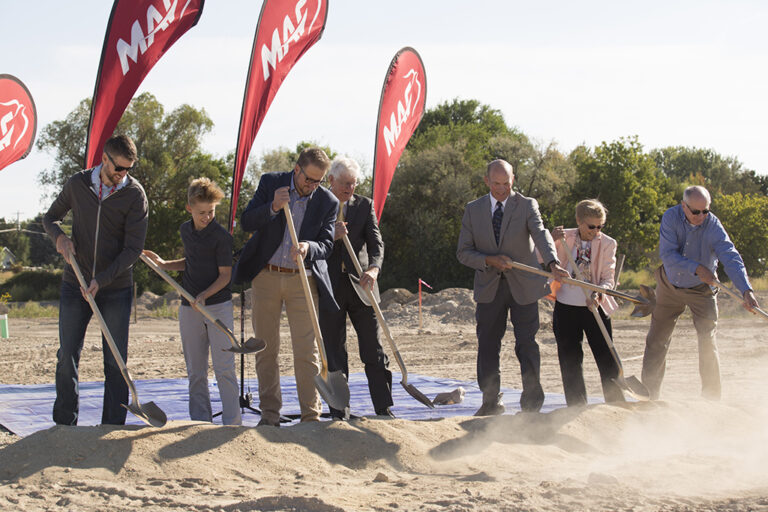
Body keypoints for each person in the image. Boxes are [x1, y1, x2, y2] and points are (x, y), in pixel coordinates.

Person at [43, 134, 148, 425]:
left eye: (128, 169)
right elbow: (50, 218)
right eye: (119, 168)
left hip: (115, 289)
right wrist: (60, 238)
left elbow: (133, 249)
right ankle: (65, 424)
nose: (123, 175)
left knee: (115, 363)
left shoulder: (134, 195)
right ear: (104, 159)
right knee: (67, 357)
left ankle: (112, 428)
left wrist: (102, 279)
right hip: (73, 284)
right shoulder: (77, 185)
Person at [233, 147, 339, 426]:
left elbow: (327, 244)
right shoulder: (271, 183)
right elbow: (246, 221)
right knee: (265, 349)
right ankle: (270, 415)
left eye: (319, 181)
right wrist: (272, 208)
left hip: (302, 279)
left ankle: (311, 416)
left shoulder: (328, 201)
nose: (312, 186)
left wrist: (308, 246)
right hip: (266, 276)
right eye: (308, 179)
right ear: (297, 169)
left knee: (307, 351)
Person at [457, 159, 569, 415]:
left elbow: (541, 234)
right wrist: (488, 260)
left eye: (506, 183)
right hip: (489, 287)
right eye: (496, 184)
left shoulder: (527, 205)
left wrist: (552, 262)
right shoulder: (473, 210)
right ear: (486, 181)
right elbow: (463, 252)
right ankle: (490, 402)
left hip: (525, 287)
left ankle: (531, 404)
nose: (501, 189)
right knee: (487, 344)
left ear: (513, 180)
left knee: (527, 344)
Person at [642, 185, 759, 400]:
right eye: (695, 212)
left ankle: (711, 398)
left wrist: (746, 290)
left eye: (705, 211)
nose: (701, 216)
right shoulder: (670, 217)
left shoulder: (713, 225)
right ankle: (649, 395)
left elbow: (730, 257)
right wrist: (696, 267)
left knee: (707, 340)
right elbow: (668, 255)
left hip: (702, 291)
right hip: (669, 285)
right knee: (657, 339)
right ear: (683, 206)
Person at [142, 178, 241, 425]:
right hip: (190, 308)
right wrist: (165, 265)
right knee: (196, 372)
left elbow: (225, 275)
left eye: (211, 212)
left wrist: (205, 295)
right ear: (189, 208)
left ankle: (232, 423)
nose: (207, 217)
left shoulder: (221, 237)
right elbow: (191, 262)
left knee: (224, 369)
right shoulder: (185, 230)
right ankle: (200, 422)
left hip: (217, 307)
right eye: (201, 213)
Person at [319, 156, 393, 419]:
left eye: (353, 183)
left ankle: (383, 408)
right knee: (334, 352)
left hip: (363, 286)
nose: (350, 188)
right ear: (331, 180)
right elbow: (308, 241)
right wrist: (331, 235)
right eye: (344, 183)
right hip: (329, 288)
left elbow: (376, 244)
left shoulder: (365, 206)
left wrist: (374, 268)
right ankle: (339, 411)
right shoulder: (318, 204)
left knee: (373, 349)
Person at [549, 199, 625, 406]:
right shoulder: (563, 238)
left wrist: (600, 293)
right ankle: (576, 405)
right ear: (579, 221)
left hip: (595, 306)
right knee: (570, 358)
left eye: (600, 226)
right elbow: (540, 256)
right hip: (566, 306)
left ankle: (615, 402)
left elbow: (609, 277)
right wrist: (550, 239)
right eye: (591, 226)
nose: (596, 231)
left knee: (606, 356)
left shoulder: (608, 243)